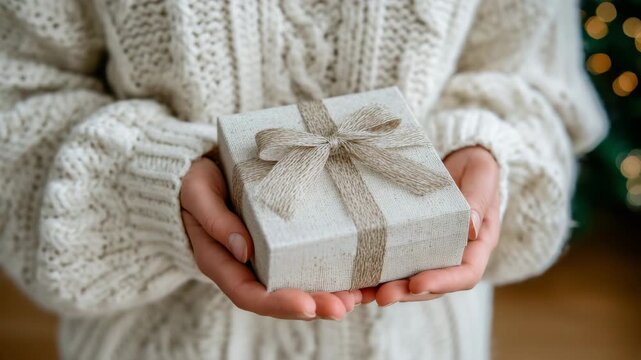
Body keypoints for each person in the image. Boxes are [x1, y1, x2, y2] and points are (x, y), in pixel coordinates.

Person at [0, 0, 607, 359]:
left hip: (420, 340)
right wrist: (149, 182)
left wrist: (489, 148)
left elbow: (534, 87)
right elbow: (17, 96)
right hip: (159, 340)